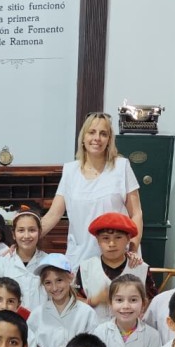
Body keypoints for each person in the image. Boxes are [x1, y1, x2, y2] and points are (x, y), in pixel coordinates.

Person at [41, 112, 143, 268]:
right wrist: (25, 238)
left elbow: (136, 213)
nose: (97, 138)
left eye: (103, 134)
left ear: (109, 140)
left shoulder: (121, 166)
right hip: (81, 258)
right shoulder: (70, 171)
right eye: (92, 132)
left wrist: (133, 248)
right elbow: (53, 215)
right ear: (83, 138)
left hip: (119, 256)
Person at [31, 254, 98, 347]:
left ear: (70, 278)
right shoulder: (37, 314)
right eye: (48, 283)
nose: (54, 288)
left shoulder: (86, 313)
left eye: (59, 280)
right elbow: (30, 346)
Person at [78, 212, 156, 322]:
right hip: (94, 328)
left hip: (132, 329)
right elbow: (74, 302)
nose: (111, 244)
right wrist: (95, 300)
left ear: (128, 238)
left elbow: (152, 302)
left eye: (118, 237)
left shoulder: (141, 269)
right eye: (105, 238)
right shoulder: (86, 268)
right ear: (98, 240)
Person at [0, 206, 48, 312]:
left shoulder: (48, 262)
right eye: (21, 230)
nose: (26, 235)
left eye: (32, 230)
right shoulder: (2, 263)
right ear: (13, 234)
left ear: (39, 232)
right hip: (9, 320)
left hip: (42, 320)